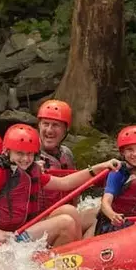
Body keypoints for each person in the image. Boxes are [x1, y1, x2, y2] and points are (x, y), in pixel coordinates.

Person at [0, 124, 121, 247]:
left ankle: (74, 255)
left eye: (29, 154)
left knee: (69, 210)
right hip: (5, 237)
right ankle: (71, 258)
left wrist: (100, 167)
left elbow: (65, 183)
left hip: (24, 229)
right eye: (20, 153)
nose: (25, 159)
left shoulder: (31, 172)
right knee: (66, 222)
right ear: (7, 152)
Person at [35, 99, 98, 236]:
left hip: (64, 213)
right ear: (39, 125)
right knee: (69, 213)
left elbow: (73, 191)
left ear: (65, 130)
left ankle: (85, 246)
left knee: (97, 215)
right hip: (36, 221)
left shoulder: (66, 153)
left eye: (55, 125)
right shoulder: (27, 155)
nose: (49, 130)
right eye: (45, 124)